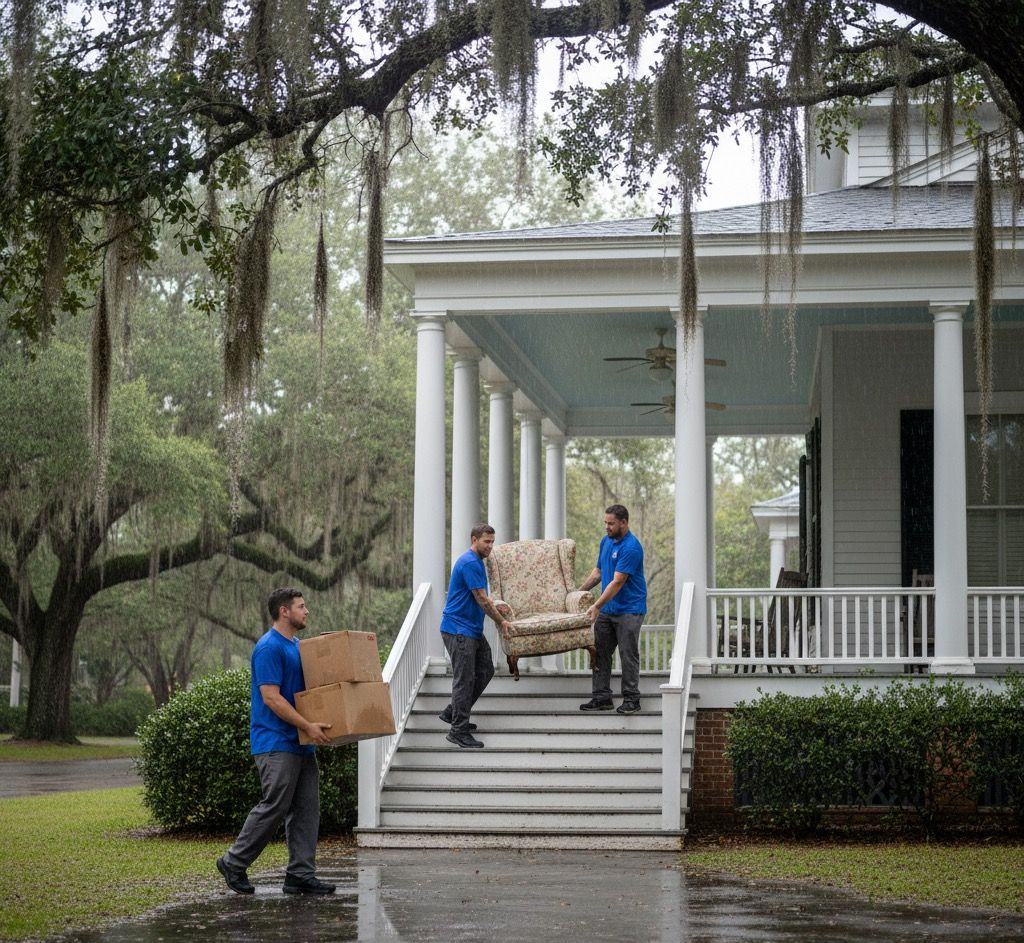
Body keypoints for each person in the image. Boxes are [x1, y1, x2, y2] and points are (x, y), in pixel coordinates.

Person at [216, 587, 336, 896]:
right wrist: (307, 725)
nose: (306, 611)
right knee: (275, 805)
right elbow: (271, 698)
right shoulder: (269, 647)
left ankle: (299, 875)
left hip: (300, 742)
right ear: (284, 611)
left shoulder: (296, 645)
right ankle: (234, 861)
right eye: (301, 606)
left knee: (307, 809)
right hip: (275, 741)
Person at [439, 523, 513, 748]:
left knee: (485, 669)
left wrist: (496, 608)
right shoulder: (470, 562)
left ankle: (454, 711)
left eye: (492, 541)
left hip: (471, 629)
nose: (490, 546)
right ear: (474, 540)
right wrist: (502, 622)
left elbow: (483, 598)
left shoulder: (477, 562)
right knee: (465, 679)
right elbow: (481, 598)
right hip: (459, 629)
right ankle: (458, 731)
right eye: (486, 541)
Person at [578, 504, 648, 714]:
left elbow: (618, 582)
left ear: (624, 523)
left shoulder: (631, 547)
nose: (607, 527)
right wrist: (577, 592)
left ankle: (631, 699)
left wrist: (596, 605)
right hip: (608, 608)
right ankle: (602, 698)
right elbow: (598, 573)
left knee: (628, 654)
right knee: (599, 653)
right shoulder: (605, 542)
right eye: (605, 523)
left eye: (611, 523)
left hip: (630, 609)